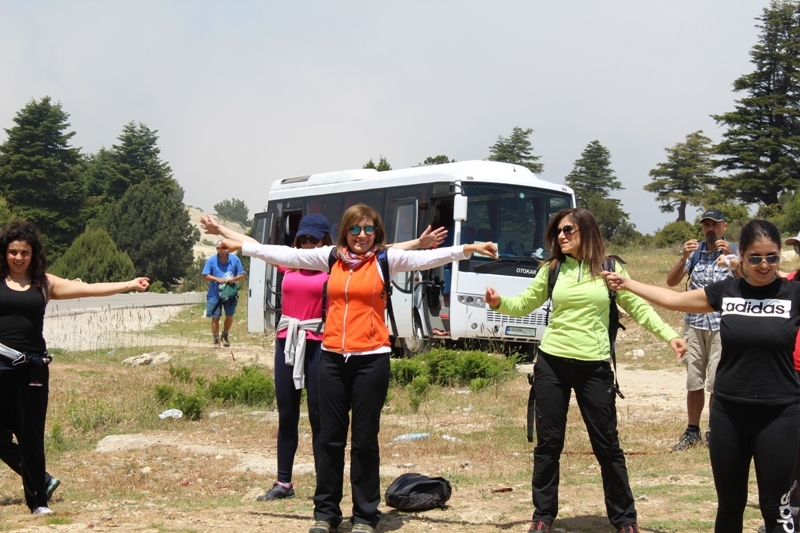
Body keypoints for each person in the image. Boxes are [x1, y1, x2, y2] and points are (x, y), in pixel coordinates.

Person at [216, 203, 497, 533]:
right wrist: (244, 246)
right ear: (344, 232)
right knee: (330, 439)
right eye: (354, 229)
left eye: (368, 229)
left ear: (377, 233)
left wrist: (468, 249)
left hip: (371, 359)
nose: (361, 235)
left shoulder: (385, 260)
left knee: (364, 440)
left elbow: (429, 258)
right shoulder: (331, 257)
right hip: (332, 358)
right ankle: (326, 513)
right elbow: (285, 255)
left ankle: (365, 514)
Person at [200, 212, 446, 504]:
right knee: (287, 414)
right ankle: (283, 482)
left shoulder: (333, 263)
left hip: (319, 343)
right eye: (303, 239)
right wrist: (220, 229)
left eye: (313, 239)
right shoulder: (293, 262)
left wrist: (418, 243)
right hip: (288, 341)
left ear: (325, 241)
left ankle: (324, 483)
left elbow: (383, 251)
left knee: (321, 417)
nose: (307, 244)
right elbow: (256, 245)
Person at [483, 207, 686, 533]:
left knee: (607, 446)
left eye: (568, 230)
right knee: (548, 445)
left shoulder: (610, 269)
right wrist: (498, 303)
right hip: (552, 364)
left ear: (586, 232)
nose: (561, 236)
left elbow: (639, 308)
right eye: (558, 231)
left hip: (594, 368)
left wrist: (670, 336)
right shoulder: (552, 269)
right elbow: (524, 304)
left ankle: (625, 519)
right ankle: (542, 517)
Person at [604, 219, 800, 533]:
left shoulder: (793, 294)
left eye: (772, 257)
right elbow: (673, 300)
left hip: (780, 414)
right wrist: (627, 283)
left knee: (775, 509)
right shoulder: (727, 291)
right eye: (755, 258)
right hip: (729, 413)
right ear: (741, 256)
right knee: (730, 506)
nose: (764, 265)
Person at [0, 220, 149, 515]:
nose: (18, 257)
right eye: (13, 251)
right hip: (1, 365)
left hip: (32, 368)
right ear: (5, 252)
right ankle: (42, 482)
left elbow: (88, 289)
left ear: (34, 253)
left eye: (25, 252)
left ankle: (38, 502)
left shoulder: (45, 284)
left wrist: (129, 284)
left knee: (31, 436)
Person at [665, 208, 738, 450]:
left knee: (717, 381)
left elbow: (747, 282)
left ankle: (716, 431)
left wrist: (733, 261)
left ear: (724, 227)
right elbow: (671, 282)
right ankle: (692, 430)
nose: (710, 229)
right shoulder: (694, 254)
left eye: (715, 224)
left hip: (722, 325)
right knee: (694, 380)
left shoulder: (735, 252)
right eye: (706, 225)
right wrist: (683, 257)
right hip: (694, 324)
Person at [202, 239, 245, 347]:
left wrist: (233, 279)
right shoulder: (211, 260)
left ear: (227, 249)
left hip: (230, 294)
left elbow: (241, 274)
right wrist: (217, 279)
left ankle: (225, 335)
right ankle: (216, 339)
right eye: (217, 248)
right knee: (215, 317)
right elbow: (205, 275)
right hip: (214, 294)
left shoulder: (235, 259)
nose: (219, 250)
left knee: (229, 316)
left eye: (221, 248)